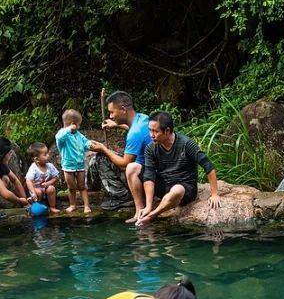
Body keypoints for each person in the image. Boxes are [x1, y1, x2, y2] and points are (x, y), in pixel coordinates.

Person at [136, 112, 220, 226]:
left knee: (177, 190)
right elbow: (149, 176)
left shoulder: (186, 144)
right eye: (150, 130)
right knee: (134, 168)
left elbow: (208, 166)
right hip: (165, 185)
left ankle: (152, 215)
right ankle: (145, 210)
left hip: (185, 188)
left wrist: (214, 194)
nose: (152, 135)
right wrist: (148, 205)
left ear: (167, 131)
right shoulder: (151, 148)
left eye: (156, 131)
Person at [98, 91, 153, 222]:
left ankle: (126, 199)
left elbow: (124, 163)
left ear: (123, 109)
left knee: (100, 158)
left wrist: (104, 149)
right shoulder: (142, 118)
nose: (110, 116)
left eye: (112, 112)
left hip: (147, 174)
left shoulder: (135, 133)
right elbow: (133, 129)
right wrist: (116, 125)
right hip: (152, 169)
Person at [56, 109, 108, 215]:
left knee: (82, 186)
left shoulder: (79, 135)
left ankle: (87, 206)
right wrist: (68, 129)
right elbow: (59, 137)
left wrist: (92, 144)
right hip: (68, 166)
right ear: (73, 124)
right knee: (71, 187)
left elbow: (85, 143)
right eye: (78, 125)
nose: (79, 127)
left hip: (80, 165)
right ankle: (72, 205)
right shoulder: (62, 134)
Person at [24, 142, 61, 214]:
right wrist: (33, 193)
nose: (48, 155)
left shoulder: (49, 166)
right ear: (37, 159)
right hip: (36, 189)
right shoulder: (33, 168)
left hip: (46, 189)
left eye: (47, 153)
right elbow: (28, 181)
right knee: (38, 192)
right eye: (45, 154)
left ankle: (52, 207)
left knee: (51, 188)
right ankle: (36, 205)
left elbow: (56, 177)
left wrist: (49, 183)